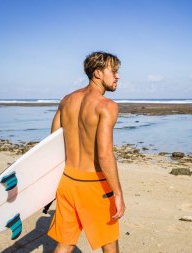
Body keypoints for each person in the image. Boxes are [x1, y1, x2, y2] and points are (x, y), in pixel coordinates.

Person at [47, 51, 125, 253]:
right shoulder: (107, 106)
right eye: (113, 71)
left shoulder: (66, 101)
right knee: (110, 245)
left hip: (68, 182)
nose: (117, 76)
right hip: (94, 185)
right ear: (98, 73)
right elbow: (104, 154)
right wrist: (117, 193)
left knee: (65, 244)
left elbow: (53, 142)